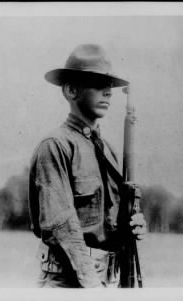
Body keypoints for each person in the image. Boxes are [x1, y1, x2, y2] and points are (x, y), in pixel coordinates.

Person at [28, 44, 147, 288]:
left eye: (110, 87)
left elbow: (113, 219)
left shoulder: (109, 151)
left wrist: (135, 225)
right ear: (71, 90)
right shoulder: (56, 145)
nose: (108, 93)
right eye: (97, 84)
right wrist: (93, 288)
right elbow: (61, 225)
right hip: (69, 281)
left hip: (107, 279)